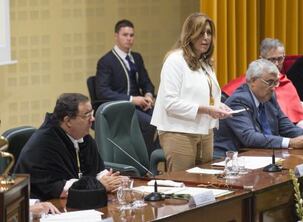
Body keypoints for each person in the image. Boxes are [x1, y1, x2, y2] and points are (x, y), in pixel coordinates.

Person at [151, 13, 232, 172]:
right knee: (183, 186)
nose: (206, 37)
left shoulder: (205, 63)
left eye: (209, 33)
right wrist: (208, 109)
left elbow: (204, 96)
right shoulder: (175, 61)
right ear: (190, 35)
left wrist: (219, 106)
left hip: (205, 129)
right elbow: (170, 103)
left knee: (205, 183)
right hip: (179, 131)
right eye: (201, 33)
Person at [14, 93, 125, 200]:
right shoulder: (43, 145)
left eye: (92, 113)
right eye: (87, 115)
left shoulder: (83, 137)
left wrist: (111, 179)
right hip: (46, 208)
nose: (93, 119)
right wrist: (99, 185)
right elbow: (59, 189)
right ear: (68, 121)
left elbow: (97, 171)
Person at [214, 59, 303, 158]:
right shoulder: (239, 100)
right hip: (229, 158)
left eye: (276, 82)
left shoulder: (269, 96)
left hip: (258, 155)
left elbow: (285, 125)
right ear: (253, 81)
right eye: (270, 82)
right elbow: (249, 137)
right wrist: (290, 142)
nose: (274, 88)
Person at [95, 19, 157, 155]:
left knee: (162, 119)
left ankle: (154, 157)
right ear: (116, 36)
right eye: (125, 35)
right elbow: (102, 92)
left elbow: (147, 82)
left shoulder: (137, 57)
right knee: (150, 123)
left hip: (140, 105)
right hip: (121, 106)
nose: (129, 38)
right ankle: (144, 161)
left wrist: (148, 95)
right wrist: (132, 99)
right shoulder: (106, 61)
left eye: (132, 35)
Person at [221, 38, 303, 129]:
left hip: (285, 131)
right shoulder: (249, 82)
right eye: (272, 59)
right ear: (261, 59)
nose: (276, 64)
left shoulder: (286, 83)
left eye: (280, 59)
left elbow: (297, 117)